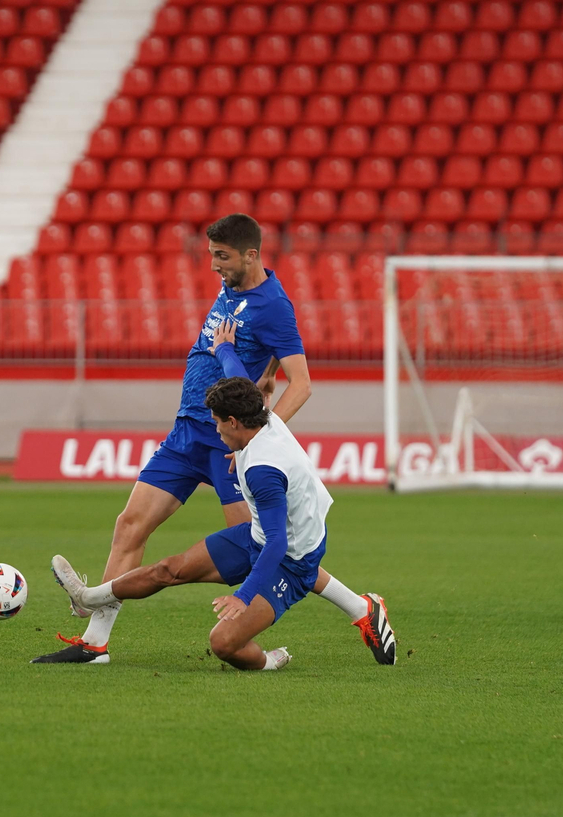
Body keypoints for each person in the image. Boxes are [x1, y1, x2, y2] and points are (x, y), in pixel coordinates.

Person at [34, 212, 393, 665]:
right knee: (131, 524)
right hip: (187, 432)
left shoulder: (274, 305)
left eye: (222, 257)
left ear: (251, 255)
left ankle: (360, 607)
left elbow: (301, 383)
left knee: (262, 544)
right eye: (211, 256)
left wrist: (258, 437)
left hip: (229, 443)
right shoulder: (231, 287)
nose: (214, 266)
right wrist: (264, 373)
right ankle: (96, 644)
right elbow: (263, 358)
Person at [51, 377, 393, 671]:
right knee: (167, 570)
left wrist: (243, 596)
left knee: (224, 643)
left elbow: (276, 543)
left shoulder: (263, 471)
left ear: (233, 422)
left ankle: (270, 662)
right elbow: (236, 379)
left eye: (217, 422)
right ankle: (87, 596)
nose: (214, 429)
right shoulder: (263, 420)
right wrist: (225, 347)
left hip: (289, 563)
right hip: (254, 537)